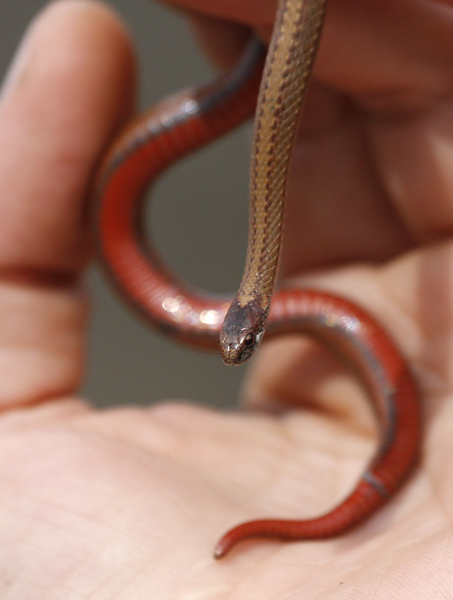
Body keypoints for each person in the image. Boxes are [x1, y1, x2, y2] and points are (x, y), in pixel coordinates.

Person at [0, 0, 450, 596]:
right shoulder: (256, 288)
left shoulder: (258, 281)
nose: (234, 349)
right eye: (241, 340)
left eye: (245, 341)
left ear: (255, 315)